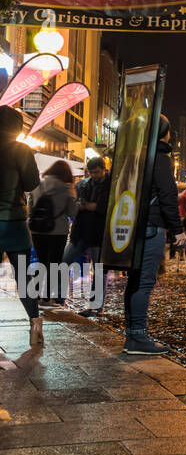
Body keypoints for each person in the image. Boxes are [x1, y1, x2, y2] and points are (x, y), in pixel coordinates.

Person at [123, 115, 181, 355]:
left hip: (133, 225)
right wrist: (177, 229)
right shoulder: (159, 158)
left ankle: (132, 335)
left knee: (134, 281)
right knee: (144, 282)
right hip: (151, 226)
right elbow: (168, 195)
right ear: (163, 133)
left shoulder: (132, 155)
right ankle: (137, 337)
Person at [0, 106, 40, 345]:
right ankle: (35, 324)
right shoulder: (21, 150)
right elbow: (31, 183)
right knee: (24, 277)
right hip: (13, 223)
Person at [28, 159, 77, 305]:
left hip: (38, 230)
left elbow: (30, 209)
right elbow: (72, 212)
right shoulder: (67, 188)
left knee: (40, 262)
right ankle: (48, 298)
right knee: (53, 265)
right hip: (57, 231)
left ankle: (36, 296)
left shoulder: (37, 185)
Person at [66, 155, 111, 311]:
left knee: (99, 271)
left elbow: (111, 207)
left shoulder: (112, 185)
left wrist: (95, 207)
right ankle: (56, 298)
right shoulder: (84, 184)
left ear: (104, 169)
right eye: (91, 172)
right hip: (81, 232)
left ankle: (96, 306)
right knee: (63, 261)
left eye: (97, 172)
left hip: (100, 234)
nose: (94, 175)